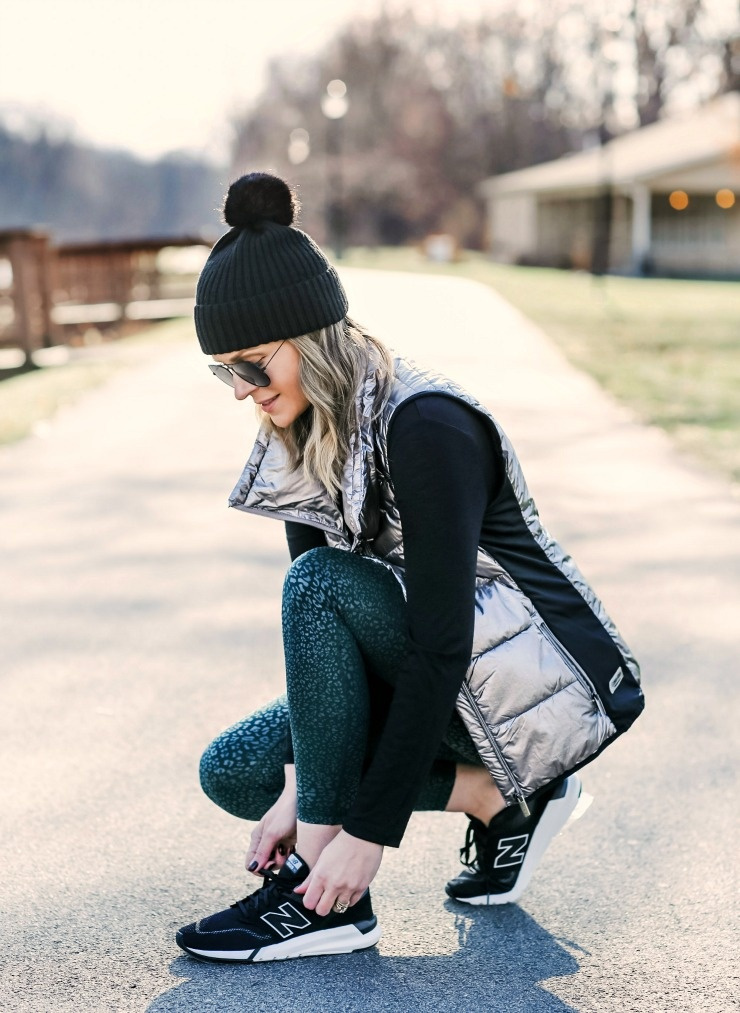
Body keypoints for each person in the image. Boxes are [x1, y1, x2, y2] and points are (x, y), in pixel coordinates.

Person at [176, 173, 644, 965]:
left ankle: (324, 900)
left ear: (311, 335)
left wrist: (359, 836)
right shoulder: (305, 433)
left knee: (318, 586)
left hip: (545, 681)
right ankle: (490, 795)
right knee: (239, 769)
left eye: (252, 366)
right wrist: (302, 782)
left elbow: (438, 641)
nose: (242, 393)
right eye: (226, 373)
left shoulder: (427, 425)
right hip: (452, 675)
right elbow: (330, 644)